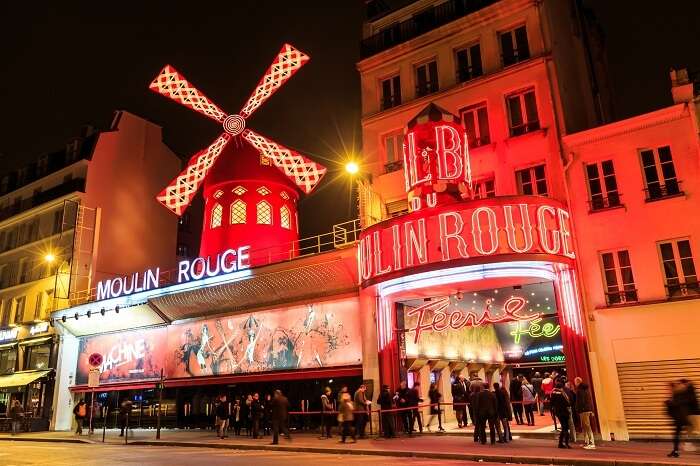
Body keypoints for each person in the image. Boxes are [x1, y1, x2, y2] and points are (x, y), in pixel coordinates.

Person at [666, 379, 698, 458]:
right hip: (682, 417)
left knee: (681, 433)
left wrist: (668, 402)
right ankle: (676, 451)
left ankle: (677, 450)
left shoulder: (680, 393)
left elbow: (677, 403)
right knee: (679, 434)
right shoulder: (681, 393)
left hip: (682, 417)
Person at [574, 377, 595, 449]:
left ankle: (591, 443)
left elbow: (581, 401)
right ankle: (586, 442)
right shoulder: (585, 389)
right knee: (584, 426)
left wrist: (578, 409)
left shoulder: (580, 390)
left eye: (575, 382)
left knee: (587, 426)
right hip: (586, 409)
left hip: (583, 410)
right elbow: (589, 399)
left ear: (578, 382)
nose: (575, 383)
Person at [550, 380, 571, 449]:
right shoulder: (562, 393)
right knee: (566, 427)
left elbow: (551, 404)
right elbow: (567, 403)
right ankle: (566, 443)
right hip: (564, 412)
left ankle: (560, 443)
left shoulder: (553, 393)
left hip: (558, 412)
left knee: (563, 427)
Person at [562, 377, 578, 443]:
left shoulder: (568, 391)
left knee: (570, 423)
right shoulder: (571, 391)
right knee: (571, 423)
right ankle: (573, 437)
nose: (568, 386)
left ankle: (572, 437)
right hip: (571, 408)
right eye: (567, 384)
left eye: (568, 385)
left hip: (570, 408)